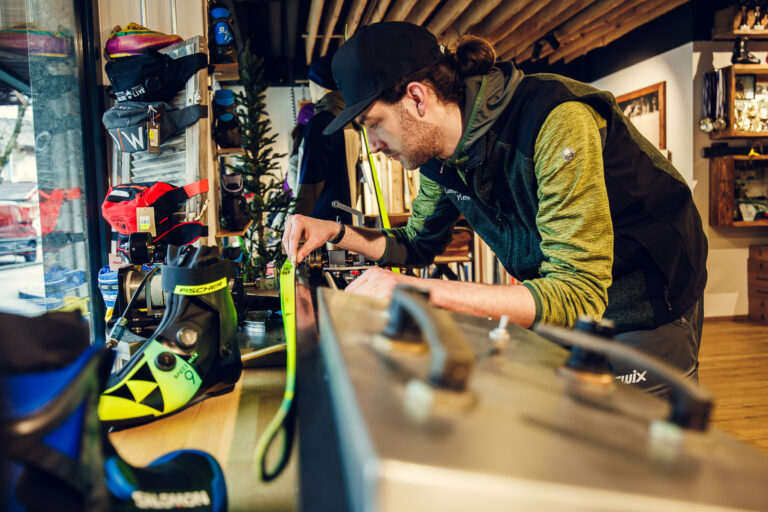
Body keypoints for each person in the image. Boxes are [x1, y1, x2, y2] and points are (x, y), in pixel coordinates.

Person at [282, 22, 708, 394]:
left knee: (637, 446)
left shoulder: (554, 121)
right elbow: (415, 244)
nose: (373, 145)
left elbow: (579, 293)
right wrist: (335, 232)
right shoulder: (438, 160)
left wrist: (417, 292)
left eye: (374, 124)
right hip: (565, 304)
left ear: (417, 98)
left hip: (647, 300)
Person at [286, 53, 359, 224]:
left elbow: (310, 184)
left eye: (311, 82)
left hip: (321, 224)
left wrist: (295, 224)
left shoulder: (321, 123)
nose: (310, 88)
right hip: (346, 217)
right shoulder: (349, 122)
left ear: (320, 83)